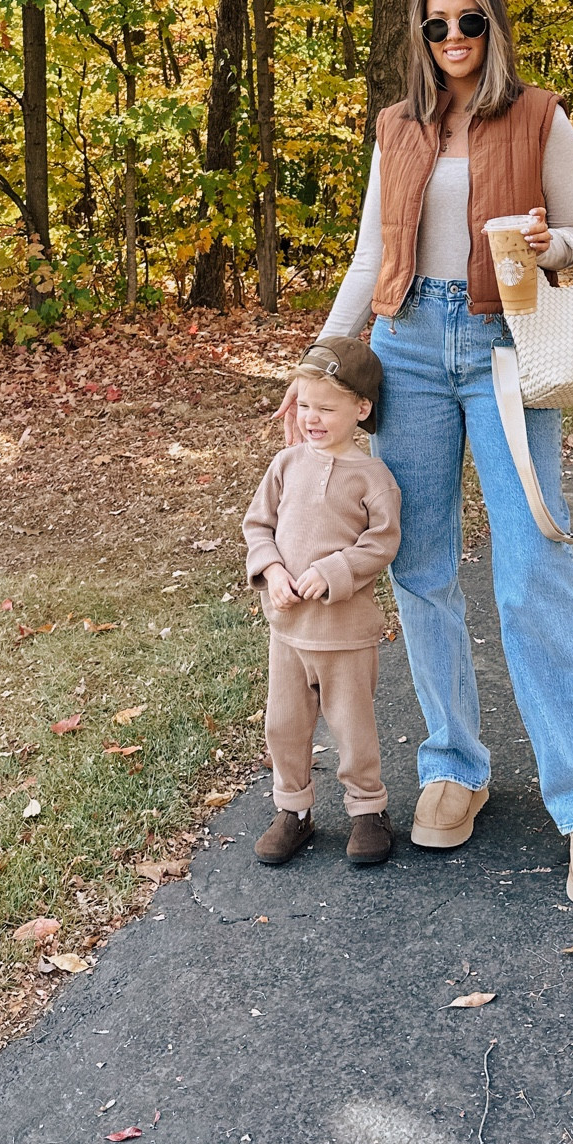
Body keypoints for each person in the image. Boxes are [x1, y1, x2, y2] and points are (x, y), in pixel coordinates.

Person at [283, 0, 573, 908]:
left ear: (493, 26)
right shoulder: (398, 127)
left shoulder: (542, 117)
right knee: (419, 565)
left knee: (531, 572)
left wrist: (549, 244)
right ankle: (454, 765)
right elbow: (370, 257)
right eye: (436, 26)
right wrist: (320, 363)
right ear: (419, 34)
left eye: (468, 22)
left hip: (506, 350)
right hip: (404, 351)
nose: (452, 41)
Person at [244, 337, 401, 868]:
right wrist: (272, 569)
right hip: (287, 629)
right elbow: (258, 525)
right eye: (305, 405)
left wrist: (331, 572)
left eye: (327, 409)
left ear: (361, 410)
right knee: (284, 725)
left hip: (345, 633)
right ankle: (293, 809)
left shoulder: (373, 478)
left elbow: (381, 543)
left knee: (352, 726)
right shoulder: (286, 464)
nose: (312, 418)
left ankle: (367, 809)